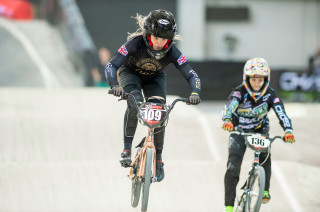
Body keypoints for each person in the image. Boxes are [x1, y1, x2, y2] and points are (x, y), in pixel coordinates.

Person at [105, 9, 201, 182]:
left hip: (155, 78)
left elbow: (191, 74)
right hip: (131, 74)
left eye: (164, 39)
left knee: (159, 112)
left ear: (170, 39)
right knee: (135, 103)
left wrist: (195, 92)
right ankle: (126, 149)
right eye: (156, 37)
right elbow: (111, 65)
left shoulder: (173, 52)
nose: (159, 42)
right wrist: (115, 85)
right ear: (147, 34)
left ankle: (159, 160)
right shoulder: (135, 43)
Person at [221, 57, 296, 212]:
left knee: (265, 156)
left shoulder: (270, 94)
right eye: (254, 79)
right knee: (232, 167)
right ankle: (228, 206)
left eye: (260, 80)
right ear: (247, 79)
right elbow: (230, 106)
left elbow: (281, 113)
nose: (257, 84)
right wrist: (227, 120)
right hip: (238, 130)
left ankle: (265, 190)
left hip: (259, 130)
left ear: (266, 79)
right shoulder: (239, 92)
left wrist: (288, 130)